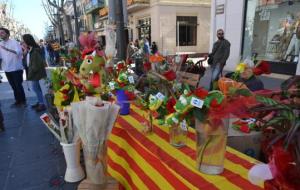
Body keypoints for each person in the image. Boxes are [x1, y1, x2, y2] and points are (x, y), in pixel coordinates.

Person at [0, 27, 26, 107]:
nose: (0, 34)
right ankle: (17, 100)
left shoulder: (14, 42)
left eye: (2, 32)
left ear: (7, 34)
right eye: (0, 33)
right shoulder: (0, 44)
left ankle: (23, 101)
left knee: (18, 85)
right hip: (7, 69)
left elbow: (19, 53)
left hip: (16, 68)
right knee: (13, 86)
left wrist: (7, 49)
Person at [22, 34, 47, 112]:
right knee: (37, 88)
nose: (22, 42)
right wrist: (25, 51)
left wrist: (31, 71)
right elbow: (26, 61)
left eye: (23, 40)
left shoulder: (35, 50)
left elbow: (36, 64)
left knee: (35, 88)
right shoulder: (30, 49)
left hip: (35, 72)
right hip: (33, 71)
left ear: (27, 41)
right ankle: (40, 101)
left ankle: (42, 104)